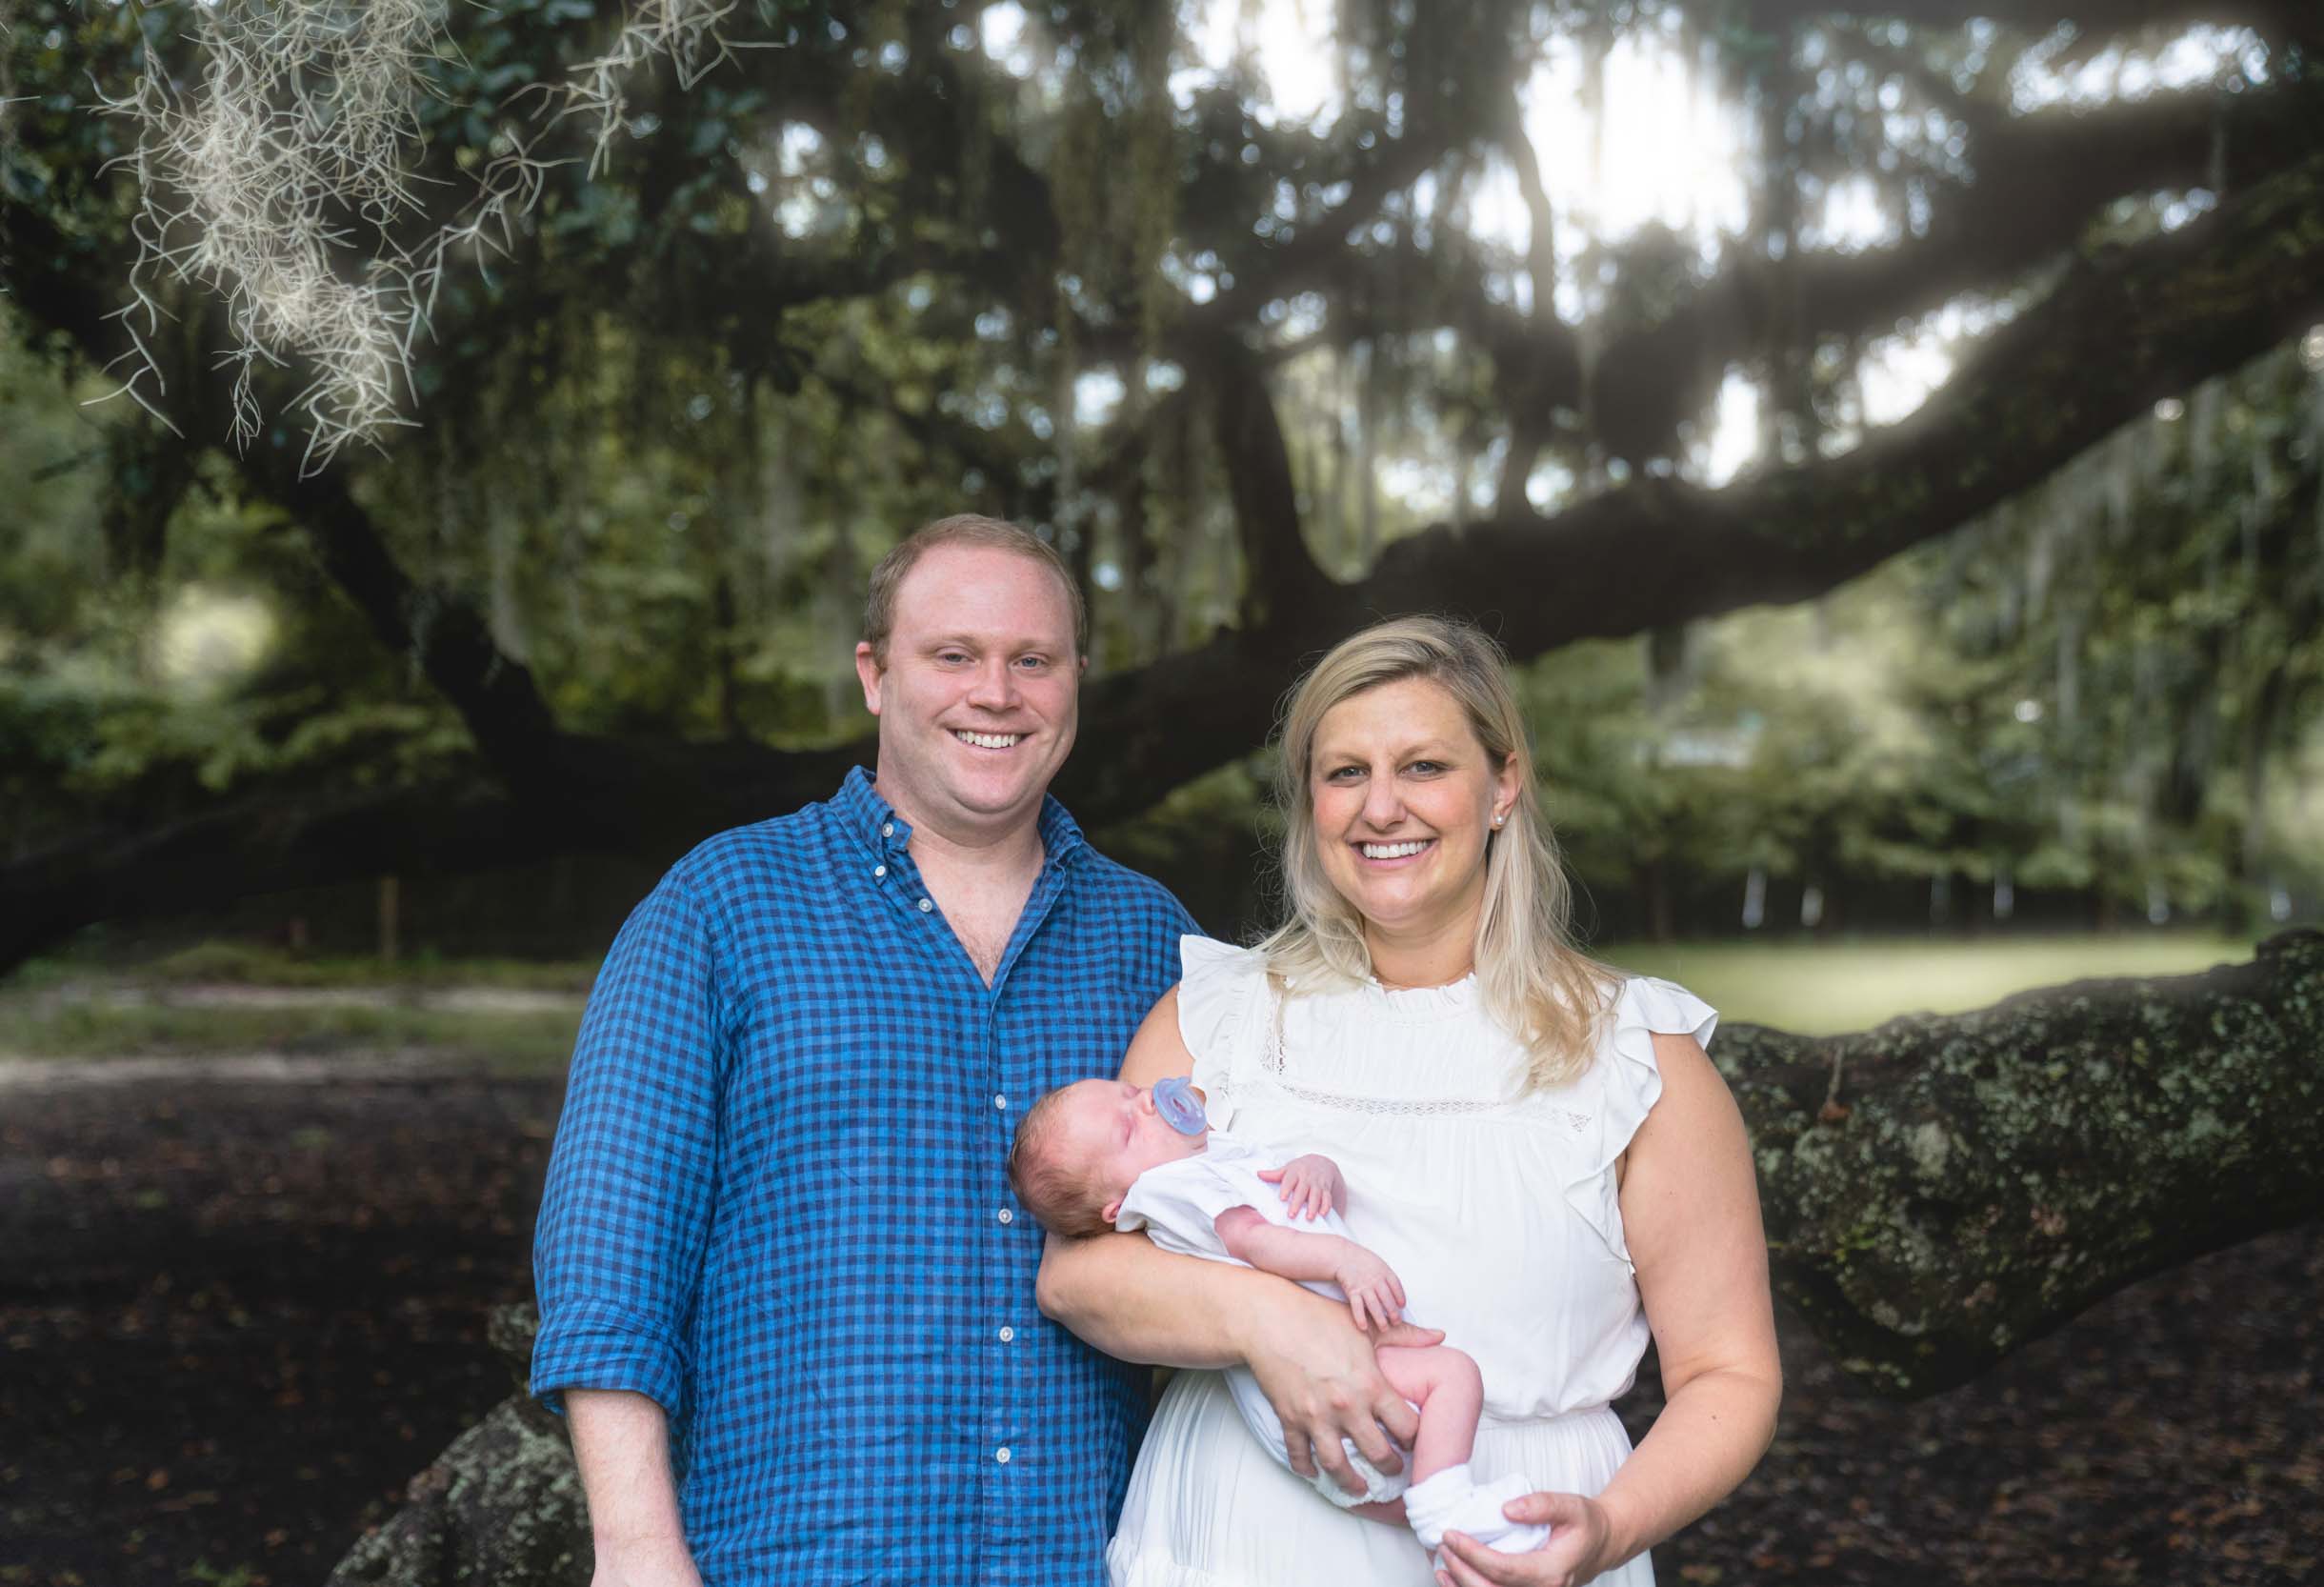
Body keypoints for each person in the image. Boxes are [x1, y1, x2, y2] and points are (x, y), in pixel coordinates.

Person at [1034, 615, 1782, 1587]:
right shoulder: (1214, 1015)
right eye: (1345, 772)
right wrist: (1274, 1320)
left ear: (1503, 784)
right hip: (1233, 1540)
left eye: (1423, 766)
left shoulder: (1637, 1053)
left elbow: (1730, 1373)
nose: (1380, 807)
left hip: (1512, 1545)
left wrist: (1607, 1527)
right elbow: (1081, 1276)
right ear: (1311, 801)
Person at [529, 514, 1199, 1587]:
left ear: (1075, 680)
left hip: (1091, 1557)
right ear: (875, 674)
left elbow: (1226, 1233)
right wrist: (639, 1552)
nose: (996, 691)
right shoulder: (720, 905)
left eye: (1033, 659)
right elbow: (610, 1261)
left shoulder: (1153, 939)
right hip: (796, 1558)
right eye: (952, 655)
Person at [1007, 1073, 1555, 1565]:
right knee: (1454, 1375)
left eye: (1130, 1094)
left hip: (1335, 1369)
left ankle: (1455, 1535)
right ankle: (1448, 1514)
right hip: (1320, 1372)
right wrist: (1345, 1262)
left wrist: (1316, 1171)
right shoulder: (1171, 1190)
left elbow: (1304, 1207)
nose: (1148, 1105)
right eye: (1127, 1131)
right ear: (1116, 1205)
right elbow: (1258, 1239)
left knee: (1403, 1484)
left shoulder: (1208, 1158)